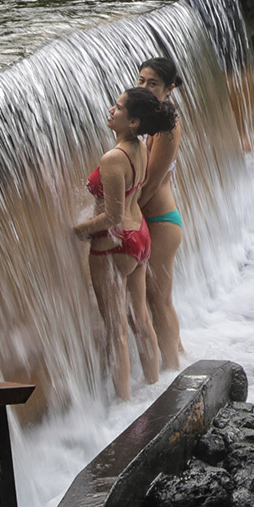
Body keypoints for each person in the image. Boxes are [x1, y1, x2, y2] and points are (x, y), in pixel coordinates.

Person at [74, 86, 177, 400]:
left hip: (113, 245)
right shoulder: (141, 148)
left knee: (116, 328)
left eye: (117, 108)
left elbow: (111, 217)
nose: (110, 111)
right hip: (141, 237)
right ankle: (154, 384)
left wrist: (76, 230)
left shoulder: (112, 159)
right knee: (141, 319)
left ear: (133, 122)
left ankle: (125, 404)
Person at [136, 57, 184, 371]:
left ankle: (173, 372)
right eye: (141, 81)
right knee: (158, 298)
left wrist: (121, 216)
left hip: (161, 221)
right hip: (154, 220)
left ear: (170, 89)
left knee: (159, 300)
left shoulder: (167, 128)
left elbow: (151, 184)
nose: (144, 88)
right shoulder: (149, 120)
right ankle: (178, 356)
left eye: (152, 83)